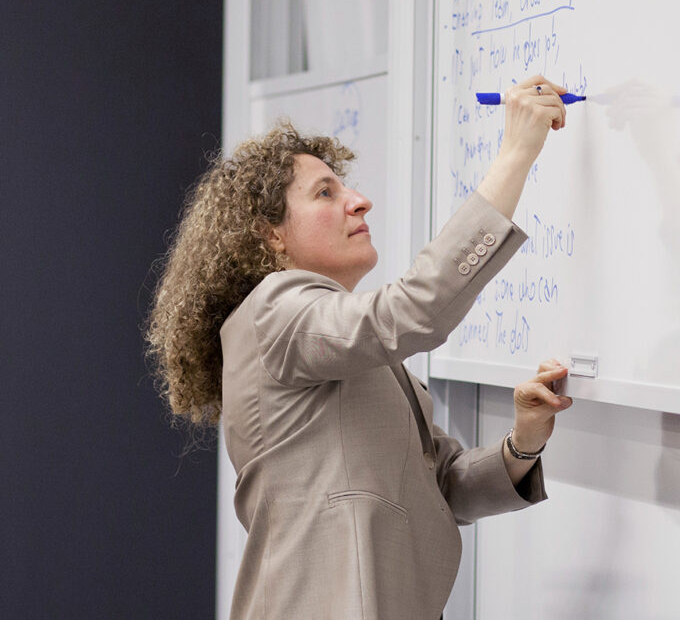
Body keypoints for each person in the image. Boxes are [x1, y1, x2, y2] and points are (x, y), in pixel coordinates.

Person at [145, 75, 574, 620]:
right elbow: (416, 309)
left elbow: (444, 485)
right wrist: (516, 151)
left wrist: (523, 442)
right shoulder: (274, 310)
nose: (360, 201)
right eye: (326, 192)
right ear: (271, 235)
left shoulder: (340, 347)